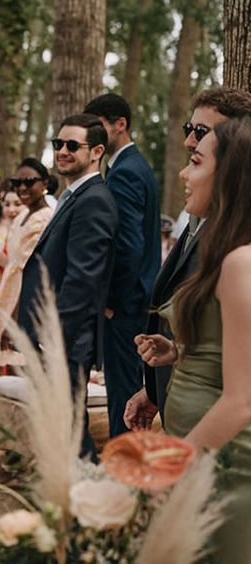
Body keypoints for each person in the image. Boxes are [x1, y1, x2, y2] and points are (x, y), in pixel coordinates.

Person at [136, 117, 251, 560]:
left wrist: (172, 469)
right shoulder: (226, 253)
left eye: (196, 162)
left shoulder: (240, 261)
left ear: (230, 176)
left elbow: (242, 399)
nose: (184, 173)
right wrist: (183, 352)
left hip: (224, 474)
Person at [124, 87, 251, 430]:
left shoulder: (241, 250)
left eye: (202, 132)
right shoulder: (199, 216)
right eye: (188, 130)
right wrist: (158, 381)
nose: (188, 142)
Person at [18, 114, 118, 457]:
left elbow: (82, 279)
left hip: (68, 338)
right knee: (61, 427)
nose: (62, 151)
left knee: (71, 431)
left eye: (72, 145)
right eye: (58, 144)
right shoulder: (74, 195)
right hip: (57, 334)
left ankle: (88, 498)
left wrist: (53, 338)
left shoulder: (94, 200)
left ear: (97, 151)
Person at [84, 93, 160, 437]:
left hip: (127, 305)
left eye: (100, 126)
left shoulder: (126, 173)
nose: (95, 135)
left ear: (120, 124)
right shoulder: (131, 166)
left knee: (124, 400)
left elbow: (129, 247)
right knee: (124, 395)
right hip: (134, 301)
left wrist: (112, 302)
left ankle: (124, 477)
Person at [0, 158, 53, 366]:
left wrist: (13, 321)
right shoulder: (22, 217)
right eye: (16, 182)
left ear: (45, 183)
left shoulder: (46, 218)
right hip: (7, 294)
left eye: (29, 182)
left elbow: (32, 271)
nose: (22, 188)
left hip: (26, 301)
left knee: (26, 365)